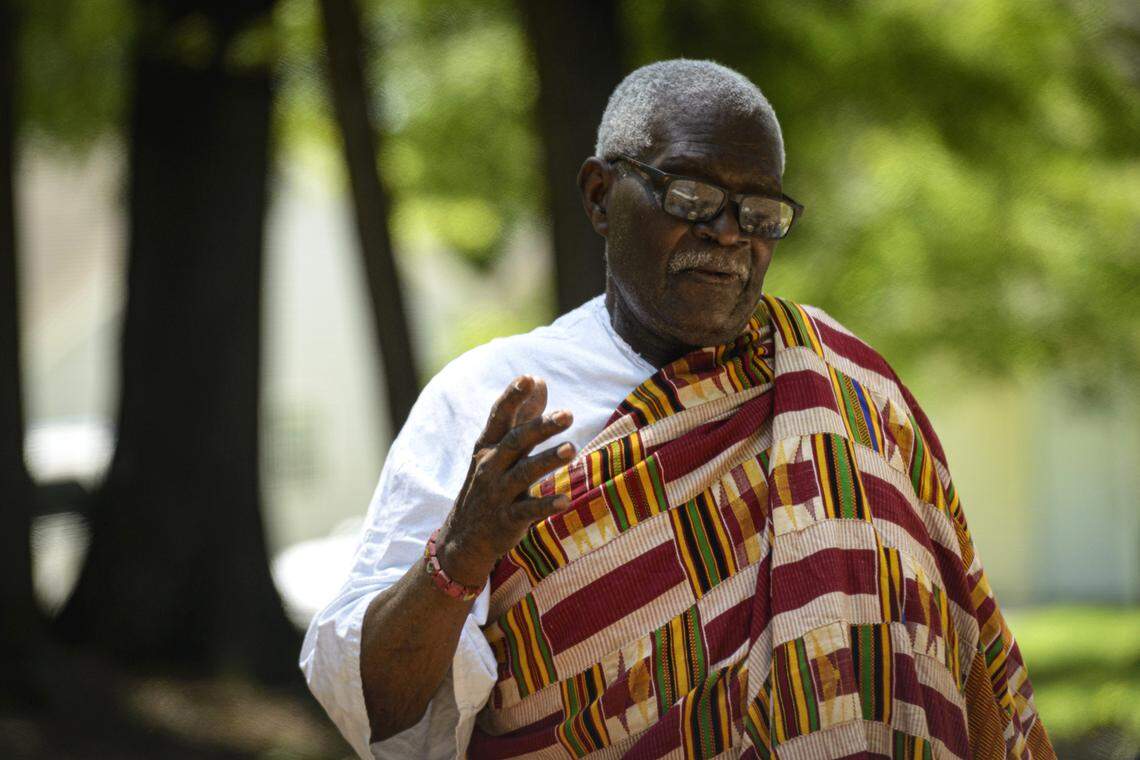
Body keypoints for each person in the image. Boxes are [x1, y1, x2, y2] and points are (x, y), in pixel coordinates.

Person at [301, 59, 1054, 759]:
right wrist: (462, 551)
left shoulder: (849, 392)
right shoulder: (490, 398)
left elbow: (960, 649)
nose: (728, 234)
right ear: (600, 197)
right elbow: (374, 707)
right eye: (691, 196)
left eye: (759, 212)